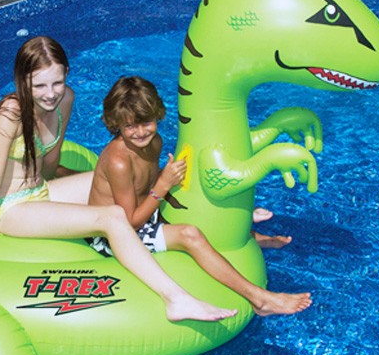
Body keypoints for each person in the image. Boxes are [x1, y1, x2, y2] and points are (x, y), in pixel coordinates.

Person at [0, 36, 237, 322]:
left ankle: (221, 216)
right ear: (23, 81)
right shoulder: (10, 114)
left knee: (117, 177)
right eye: (39, 86)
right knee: (113, 215)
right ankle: (175, 298)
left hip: (41, 190)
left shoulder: (65, 100)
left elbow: (50, 164)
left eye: (57, 82)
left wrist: (80, 180)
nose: (50, 94)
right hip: (11, 209)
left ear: (67, 74)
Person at [86, 76, 312, 316]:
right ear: (116, 123)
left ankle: (252, 236)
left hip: (142, 211)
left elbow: (144, 184)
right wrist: (163, 184)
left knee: (198, 211)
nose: (141, 132)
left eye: (147, 123)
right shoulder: (119, 161)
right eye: (130, 126)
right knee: (190, 234)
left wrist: (165, 180)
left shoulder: (155, 142)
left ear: (157, 115)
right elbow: (129, 223)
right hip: (112, 236)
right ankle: (260, 300)